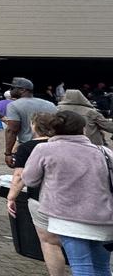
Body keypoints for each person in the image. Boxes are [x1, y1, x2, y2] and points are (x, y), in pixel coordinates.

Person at [22, 110, 113, 275]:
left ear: (53, 129)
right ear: (83, 129)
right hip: (104, 218)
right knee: (102, 267)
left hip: (67, 218)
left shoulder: (45, 149)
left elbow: (30, 180)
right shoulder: (103, 151)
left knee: (81, 266)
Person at [5, 113, 64, 275]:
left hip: (41, 198)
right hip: (70, 199)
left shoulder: (27, 147)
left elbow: (19, 176)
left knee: (50, 242)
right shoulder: (66, 144)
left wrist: (11, 196)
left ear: (35, 126)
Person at [3, 76, 57, 170]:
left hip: (27, 147)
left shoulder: (13, 105)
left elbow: (12, 130)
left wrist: (8, 153)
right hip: (51, 146)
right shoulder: (50, 105)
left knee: (24, 177)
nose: (10, 90)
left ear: (22, 90)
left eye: (12, 88)